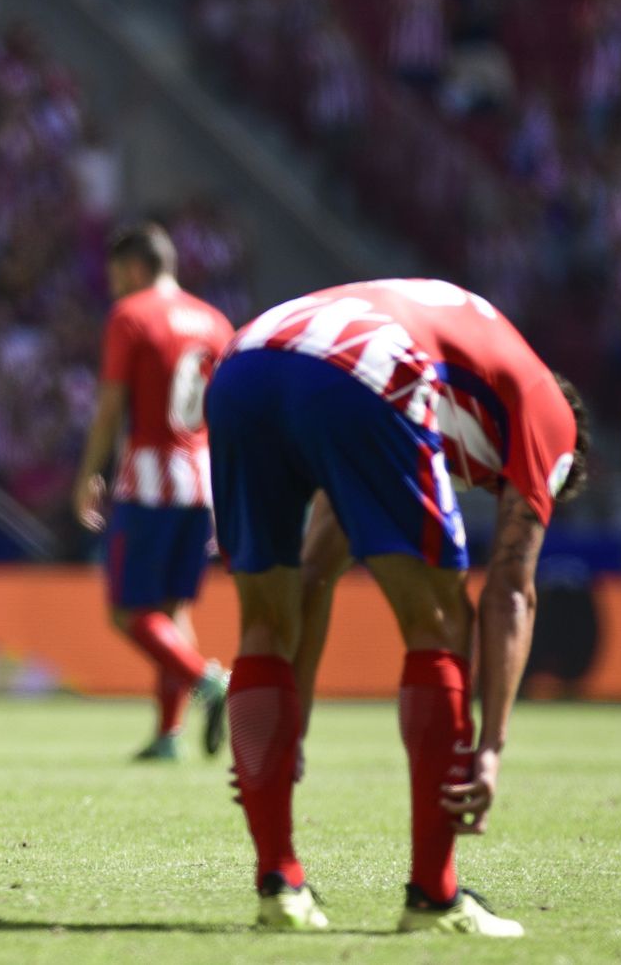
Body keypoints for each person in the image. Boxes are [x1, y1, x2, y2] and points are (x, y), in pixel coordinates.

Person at [204, 278, 587, 937]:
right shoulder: (550, 417)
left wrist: (291, 718)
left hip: (247, 357)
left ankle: (279, 887)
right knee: (443, 617)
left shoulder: (464, 365)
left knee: (264, 620)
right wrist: (490, 746)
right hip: (365, 363)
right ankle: (434, 900)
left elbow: (316, 573)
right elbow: (511, 592)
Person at [73, 223, 234, 760]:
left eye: (118, 275)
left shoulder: (132, 316)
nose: (116, 286)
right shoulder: (215, 321)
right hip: (201, 481)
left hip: (147, 482)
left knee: (126, 611)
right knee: (173, 610)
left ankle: (209, 682)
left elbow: (112, 405)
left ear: (136, 269)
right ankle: (169, 736)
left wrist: (88, 473)